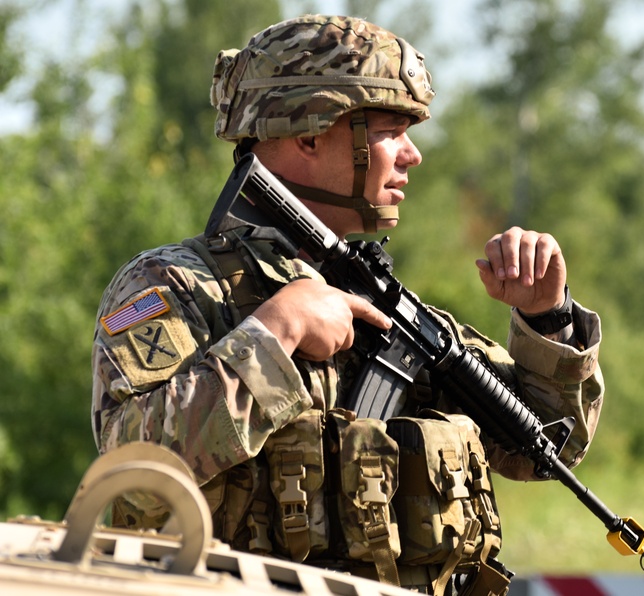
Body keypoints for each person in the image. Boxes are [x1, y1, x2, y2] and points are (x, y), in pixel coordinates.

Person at [91, 14, 603, 595]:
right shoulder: (173, 287)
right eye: (392, 130)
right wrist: (273, 333)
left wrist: (546, 318)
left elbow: (544, 448)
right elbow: (131, 470)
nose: (412, 156)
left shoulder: (379, 306)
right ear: (310, 134)